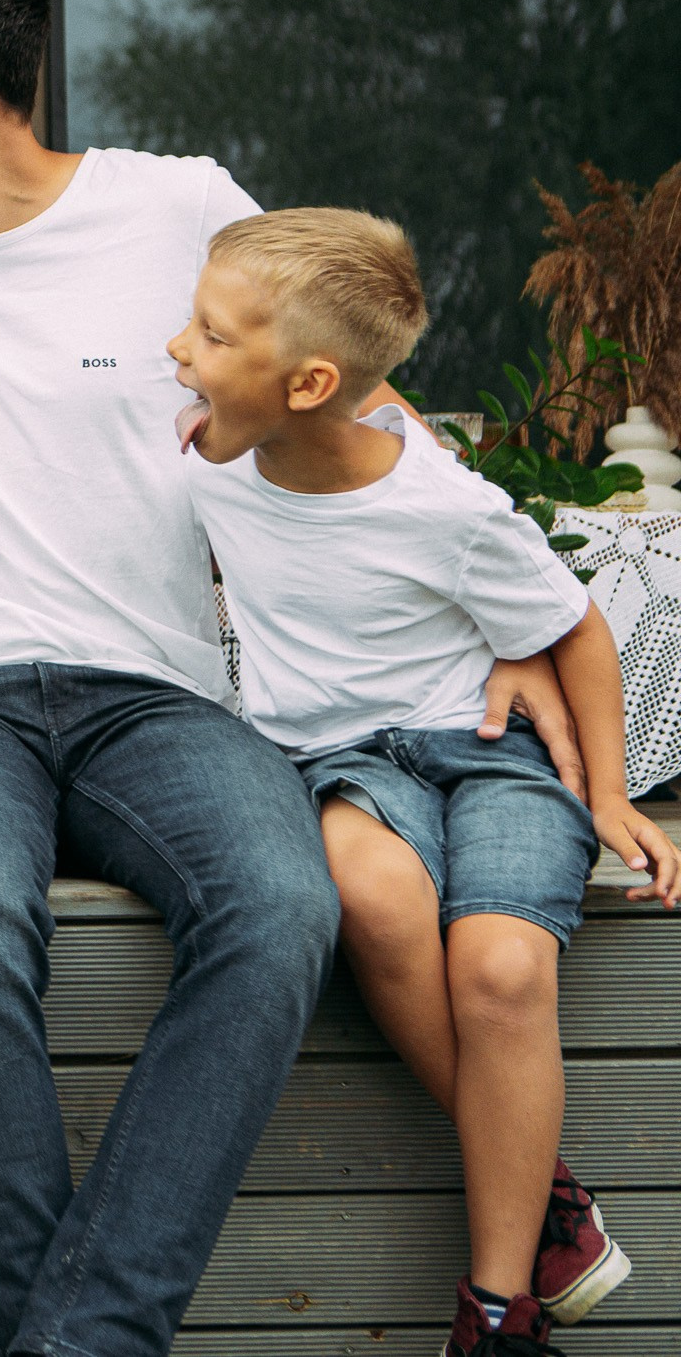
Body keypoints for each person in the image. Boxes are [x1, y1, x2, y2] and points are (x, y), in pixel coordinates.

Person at [0, 0, 587, 1357]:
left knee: (283, 903)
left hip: (161, 694)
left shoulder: (178, 208)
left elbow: (343, 391)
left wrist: (517, 615)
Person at [169, 206, 677, 1355]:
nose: (176, 351)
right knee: (370, 896)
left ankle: (496, 1311)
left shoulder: (439, 501)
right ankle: (548, 1196)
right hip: (342, 760)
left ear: (303, 384)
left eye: (206, 332)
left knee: (499, 967)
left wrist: (607, 798)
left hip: (488, 750)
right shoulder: (201, 442)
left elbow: (577, 630)